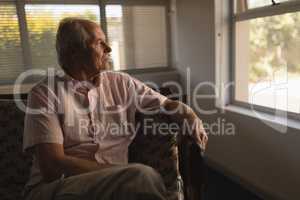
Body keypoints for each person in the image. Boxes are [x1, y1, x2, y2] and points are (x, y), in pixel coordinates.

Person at [22, 18, 208, 200]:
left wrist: (190, 115)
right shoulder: (44, 94)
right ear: (75, 52)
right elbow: (52, 166)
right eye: (100, 43)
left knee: (137, 181)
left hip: (119, 185)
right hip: (59, 187)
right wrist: (120, 173)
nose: (109, 49)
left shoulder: (122, 83)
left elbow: (166, 103)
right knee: (142, 177)